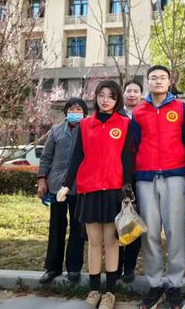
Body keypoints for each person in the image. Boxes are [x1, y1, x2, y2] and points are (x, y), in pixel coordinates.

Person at [57, 80, 135, 309]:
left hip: (113, 190)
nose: (105, 100)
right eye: (101, 95)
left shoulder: (124, 124)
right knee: (93, 242)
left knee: (111, 242)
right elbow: (76, 157)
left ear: (117, 99)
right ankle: (93, 290)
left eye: (111, 96)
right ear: (96, 97)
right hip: (89, 189)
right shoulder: (85, 125)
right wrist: (66, 185)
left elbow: (127, 159)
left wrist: (127, 189)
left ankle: (110, 292)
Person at [131, 65, 185, 309]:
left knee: (175, 232)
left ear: (170, 82)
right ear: (147, 82)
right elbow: (134, 144)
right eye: (153, 78)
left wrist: (180, 166)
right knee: (150, 233)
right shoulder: (139, 112)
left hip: (174, 177)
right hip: (145, 179)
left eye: (162, 77)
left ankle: (174, 285)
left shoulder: (182, 109)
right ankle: (155, 284)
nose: (158, 81)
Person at [37, 98, 88, 285]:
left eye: (79, 109)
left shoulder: (88, 129)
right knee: (57, 226)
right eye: (71, 109)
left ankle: (74, 268)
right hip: (57, 184)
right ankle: (53, 267)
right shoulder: (56, 130)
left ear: (85, 113)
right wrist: (42, 179)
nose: (75, 112)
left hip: (79, 185)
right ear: (66, 112)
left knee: (77, 227)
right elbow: (46, 157)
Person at [118, 79, 144, 283]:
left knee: (134, 219)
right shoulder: (116, 115)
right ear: (123, 94)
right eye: (129, 91)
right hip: (117, 175)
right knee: (117, 219)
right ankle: (115, 265)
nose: (132, 94)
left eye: (136, 91)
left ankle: (129, 267)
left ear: (141, 95)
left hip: (140, 174)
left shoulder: (145, 114)